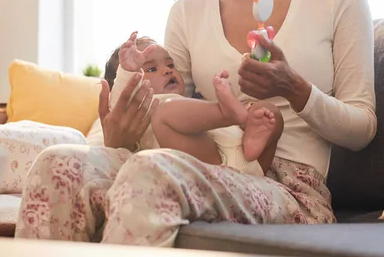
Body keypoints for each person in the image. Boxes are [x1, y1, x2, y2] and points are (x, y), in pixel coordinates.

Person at [15, 0, 376, 246]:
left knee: (152, 172)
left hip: (290, 188)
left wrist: (296, 88)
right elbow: (170, 113)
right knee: (58, 164)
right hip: (208, 164)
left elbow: (362, 128)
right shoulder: (187, 13)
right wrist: (121, 137)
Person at [105, 31, 283, 177]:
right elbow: (118, 100)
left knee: (269, 111)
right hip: (210, 163)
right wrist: (126, 71)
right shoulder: (141, 106)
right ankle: (226, 113)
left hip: (251, 159)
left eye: (170, 64)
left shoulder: (190, 106)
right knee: (164, 113)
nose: (167, 70)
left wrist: (250, 123)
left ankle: (249, 129)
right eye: (152, 69)